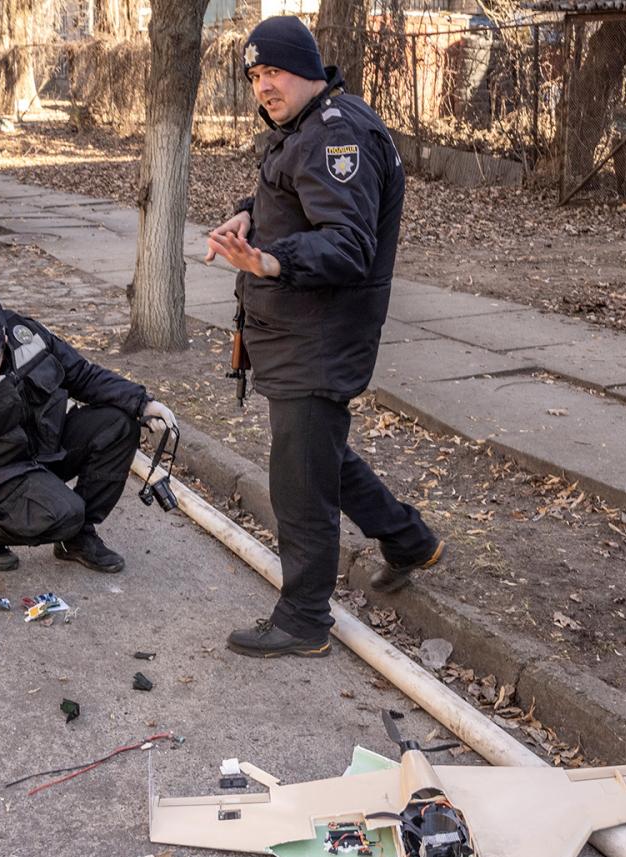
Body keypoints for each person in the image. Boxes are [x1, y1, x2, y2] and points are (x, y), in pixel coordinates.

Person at [206, 16, 442, 660]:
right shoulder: (307, 129)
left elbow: (347, 243)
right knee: (319, 457)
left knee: (299, 481)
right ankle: (408, 539)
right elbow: (297, 199)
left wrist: (270, 261)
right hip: (294, 333)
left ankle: (305, 618)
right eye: (254, 76)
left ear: (308, 67)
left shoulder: (339, 134)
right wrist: (248, 216)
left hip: (319, 335)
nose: (263, 87)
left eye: (273, 72)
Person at [0, 288, 176, 607]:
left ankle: (77, 538)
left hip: (42, 451)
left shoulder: (26, 336)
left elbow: (81, 375)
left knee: (118, 423)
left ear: (3, 341)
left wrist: (142, 402)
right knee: (66, 511)